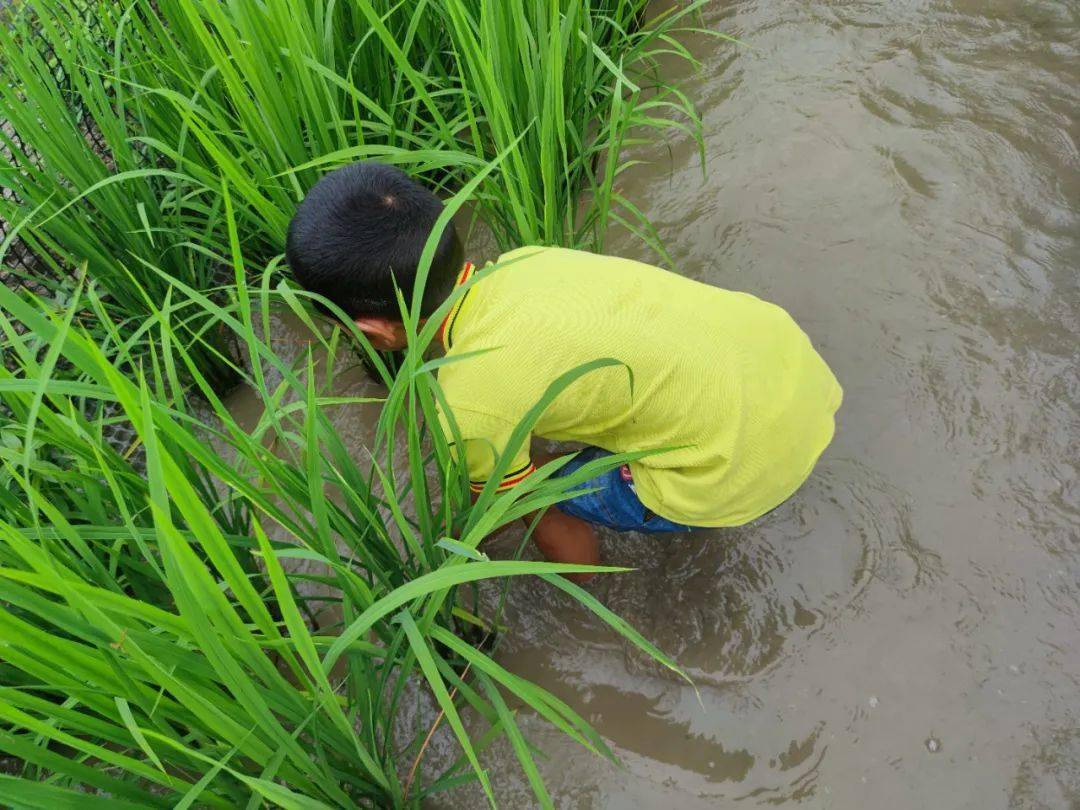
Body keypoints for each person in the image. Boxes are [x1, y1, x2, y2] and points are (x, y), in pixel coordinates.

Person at [286, 162, 843, 581]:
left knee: (535, 491)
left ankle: (626, 567)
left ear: (373, 331)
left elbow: (517, 509)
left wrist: (461, 540)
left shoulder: (466, 403)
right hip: (794, 371)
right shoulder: (530, 261)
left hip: (738, 470)